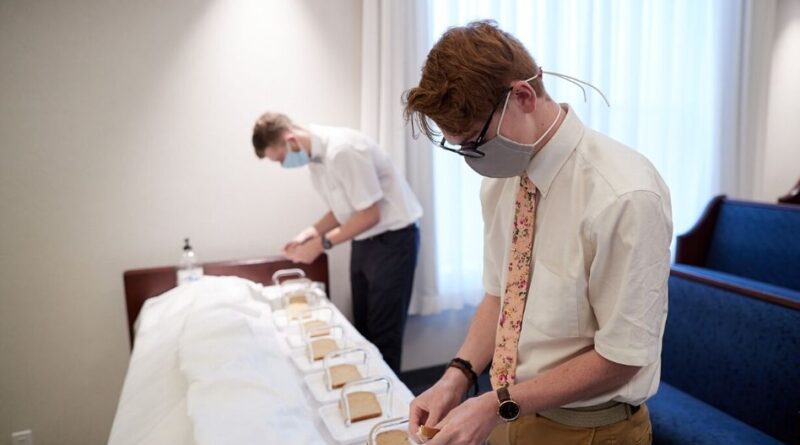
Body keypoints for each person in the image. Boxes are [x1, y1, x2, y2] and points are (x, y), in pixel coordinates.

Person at [402, 21, 672, 445]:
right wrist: (457, 376)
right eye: (461, 148)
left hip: (589, 429)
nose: (474, 159)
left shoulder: (624, 194)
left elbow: (623, 357)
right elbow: (500, 297)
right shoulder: (502, 181)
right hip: (508, 410)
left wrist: (496, 405)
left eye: (476, 142)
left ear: (524, 97)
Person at [251, 113, 423, 373]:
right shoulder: (315, 161)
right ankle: (366, 386)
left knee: (383, 334)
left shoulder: (343, 151)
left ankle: (389, 396)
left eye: (280, 158)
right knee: (362, 328)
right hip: (364, 241)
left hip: (393, 240)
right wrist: (309, 233)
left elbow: (370, 214)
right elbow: (344, 210)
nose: (283, 165)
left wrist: (321, 244)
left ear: (290, 139)